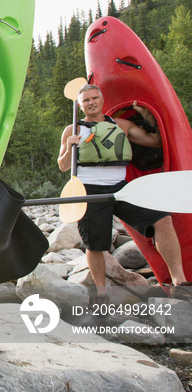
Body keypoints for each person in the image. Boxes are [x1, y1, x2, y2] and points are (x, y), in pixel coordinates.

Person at [57, 83, 192, 304]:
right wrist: (71, 147)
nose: (91, 103)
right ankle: (102, 294)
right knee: (95, 245)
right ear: (80, 105)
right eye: (86, 100)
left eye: (94, 98)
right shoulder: (72, 130)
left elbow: (155, 141)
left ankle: (180, 283)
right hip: (89, 191)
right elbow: (63, 166)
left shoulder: (121, 125)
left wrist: (147, 117)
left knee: (162, 219)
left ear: (101, 100)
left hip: (121, 188)